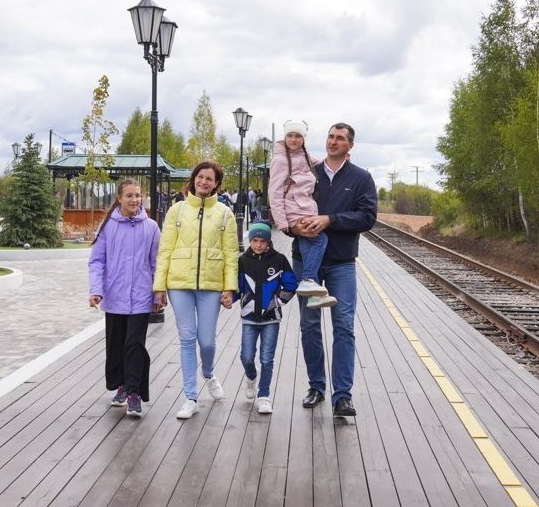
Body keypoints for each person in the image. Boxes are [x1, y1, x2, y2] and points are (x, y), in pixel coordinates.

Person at [291, 123, 377, 418]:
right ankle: (316, 386)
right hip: (305, 261)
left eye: (340, 138)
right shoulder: (307, 173)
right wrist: (294, 226)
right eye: (330, 136)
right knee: (309, 326)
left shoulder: (362, 179)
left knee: (343, 326)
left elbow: (367, 218)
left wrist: (330, 219)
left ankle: (342, 396)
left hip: (341, 262)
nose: (333, 141)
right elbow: (286, 205)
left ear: (350, 145)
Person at [153, 161, 239, 420]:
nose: (204, 182)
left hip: (211, 284)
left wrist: (229, 287)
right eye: (200, 177)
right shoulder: (176, 211)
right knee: (187, 338)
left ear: (216, 184)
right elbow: (165, 249)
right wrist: (159, 286)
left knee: (207, 341)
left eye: (209, 179)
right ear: (193, 179)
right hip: (179, 283)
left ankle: (209, 373)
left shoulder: (225, 214)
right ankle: (190, 396)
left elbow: (231, 254)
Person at [88, 178, 161, 417]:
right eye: (129, 195)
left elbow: (157, 262)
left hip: (141, 296)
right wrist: (96, 290)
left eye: (138, 196)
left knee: (135, 345)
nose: (134, 200)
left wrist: (159, 292)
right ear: (119, 198)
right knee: (117, 344)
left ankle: (134, 393)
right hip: (115, 296)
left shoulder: (150, 227)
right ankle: (120, 384)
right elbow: (97, 261)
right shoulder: (107, 226)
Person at [267, 119, 334, 307]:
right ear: (285, 137)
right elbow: (275, 192)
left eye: (298, 136)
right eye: (290, 135)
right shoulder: (280, 160)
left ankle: (313, 294)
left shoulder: (304, 156)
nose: (294, 140)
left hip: (306, 209)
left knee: (309, 246)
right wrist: (282, 223)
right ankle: (307, 280)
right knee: (320, 240)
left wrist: (342, 161)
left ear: (303, 139)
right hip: (295, 211)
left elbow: (321, 164)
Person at [235, 222, 297, 414]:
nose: (259, 245)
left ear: (269, 241)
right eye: (254, 240)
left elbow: (290, 285)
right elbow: (238, 286)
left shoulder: (279, 260)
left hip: (271, 318)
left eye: (262, 241)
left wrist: (276, 303)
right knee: (246, 356)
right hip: (249, 317)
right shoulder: (243, 261)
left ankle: (264, 396)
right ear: (250, 240)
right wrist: (230, 297)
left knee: (267, 359)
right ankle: (251, 376)